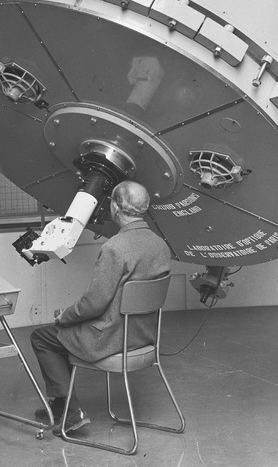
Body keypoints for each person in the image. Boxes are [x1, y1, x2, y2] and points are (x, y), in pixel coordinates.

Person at [30, 180, 172, 436]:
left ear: (115, 207)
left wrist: (64, 317)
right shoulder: (160, 245)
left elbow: (93, 305)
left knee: (43, 337)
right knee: (62, 337)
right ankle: (61, 406)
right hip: (143, 338)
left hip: (110, 339)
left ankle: (71, 412)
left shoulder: (114, 248)